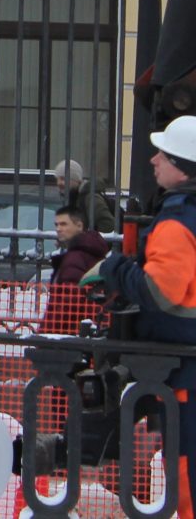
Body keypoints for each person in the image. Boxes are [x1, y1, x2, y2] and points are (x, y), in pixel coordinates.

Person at [83, 116, 196, 519]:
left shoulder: (177, 220)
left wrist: (116, 269)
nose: (153, 161)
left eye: (162, 155)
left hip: (184, 372)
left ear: (181, 165)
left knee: (186, 472)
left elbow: (161, 293)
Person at [40, 205, 112, 337]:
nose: (58, 229)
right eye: (56, 224)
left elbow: (66, 304)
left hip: (68, 334)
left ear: (79, 226)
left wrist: (46, 334)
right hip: (87, 329)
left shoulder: (75, 258)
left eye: (64, 224)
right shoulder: (89, 251)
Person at [51, 160, 117, 235]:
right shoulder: (73, 198)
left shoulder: (90, 198)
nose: (58, 183)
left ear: (76, 180)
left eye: (63, 179)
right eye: (57, 179)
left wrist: (91, 243)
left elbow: (109, 225)